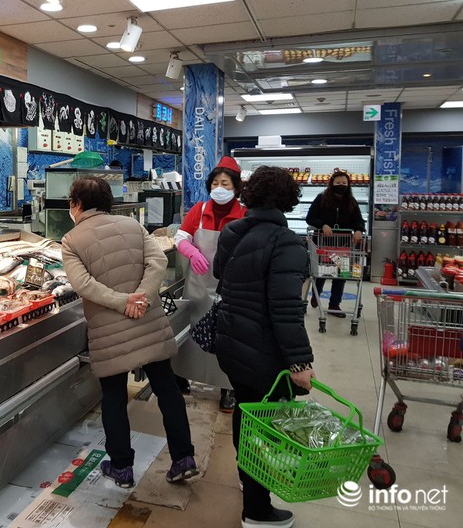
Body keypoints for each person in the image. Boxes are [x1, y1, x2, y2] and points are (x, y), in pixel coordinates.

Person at [61, 176, 197, 489]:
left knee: (114, 396)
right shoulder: (132, 225)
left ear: (76, 204)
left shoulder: (71, 240)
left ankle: (121, 467)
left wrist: (122, 302)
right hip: (147, 322)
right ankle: (184, 458)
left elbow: (83, 285)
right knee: (167, 388)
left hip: (109, 331)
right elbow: (158, 261)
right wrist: (142, 298)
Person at [214, 166, 315, 528]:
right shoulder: (286, 243)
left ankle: (249, 484)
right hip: (264, 351)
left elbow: (219, 273)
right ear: (288, 199)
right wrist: (300, 362)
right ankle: (257, 511)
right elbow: (285, 309)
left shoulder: (232, 231)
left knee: (246, 413)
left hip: (232, 342)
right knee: (263, 426)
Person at [173, 156, 246, 412]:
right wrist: (192, 252)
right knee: (191, 332)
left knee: (227, 338)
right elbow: (180, 237)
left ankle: (228, 388)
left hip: (230, 286)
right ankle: (182, 376)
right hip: (198, 284)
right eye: (215, 183)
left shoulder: (244, 215)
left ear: (235, 187)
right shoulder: (199, 210)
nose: (219, 188)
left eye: (225, 183)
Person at [305, 170, 366, 317]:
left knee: (341, 275)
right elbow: (310, 217)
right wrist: (322, 225)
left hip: (343, 246)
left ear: (348, 185)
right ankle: (316, 294)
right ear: (331, 184)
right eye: (338, 182)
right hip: (323, 244)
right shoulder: (321, 199)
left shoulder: (351, 202)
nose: (341, 185)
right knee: (320, 273)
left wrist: (359, 229)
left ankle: (334, 304)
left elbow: (358, 220)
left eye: (344, 183)